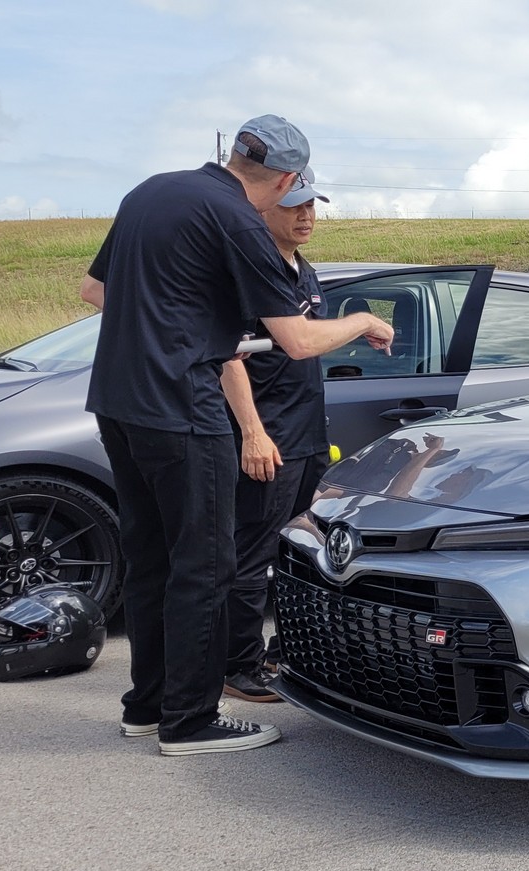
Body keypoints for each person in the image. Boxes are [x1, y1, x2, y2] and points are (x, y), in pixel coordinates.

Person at [80, 114, 393, 757]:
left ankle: (147, 706)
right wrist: (362, 319)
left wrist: (175, 313)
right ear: (284, 179)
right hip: (182, 408)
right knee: (206, 563)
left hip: (117, 401)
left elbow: (94, 291)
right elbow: (299, 342)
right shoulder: (239, 220)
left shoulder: (151, 191)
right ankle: (190, 721)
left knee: (152, 559)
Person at [220, 173, 332, 704]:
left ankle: (282, 650)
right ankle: (236, 666)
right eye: (293, 205)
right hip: (270, 439)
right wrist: (253, 433)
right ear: (264, 209)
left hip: (309, 438)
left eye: (311, 205)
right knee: (253, 553)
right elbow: (229, 359)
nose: (305, 215)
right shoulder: (249, 273)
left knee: (299, 553)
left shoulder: (304, 271)